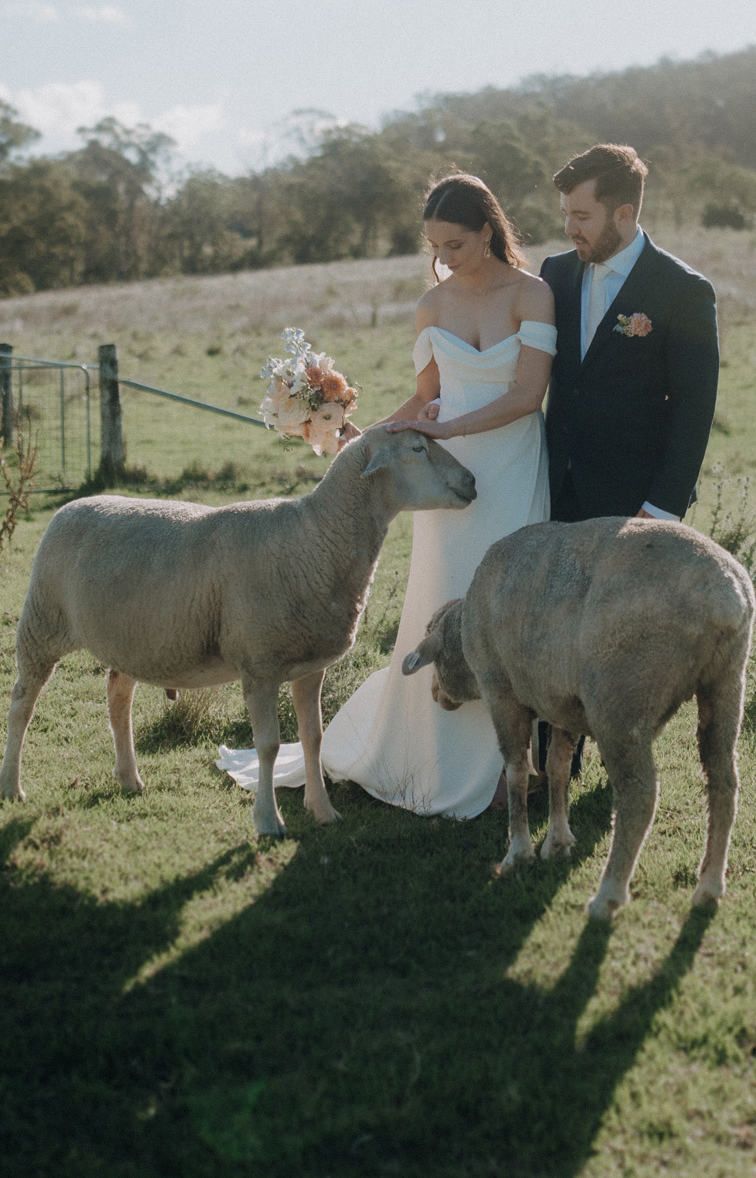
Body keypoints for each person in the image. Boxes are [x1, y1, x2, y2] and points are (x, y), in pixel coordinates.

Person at [216, 172, 553, 819]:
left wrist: (449, 425)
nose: (444, 259)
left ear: (487, 230)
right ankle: (432, 752)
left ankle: (513, 767)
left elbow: (527, 394)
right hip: (440, 480)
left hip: (512, 464)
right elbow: (425, 397)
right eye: (434, 246)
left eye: (455, 244)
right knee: (443, 600)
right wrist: (363, 440)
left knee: (512, 607)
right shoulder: (433, 306)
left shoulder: (532, 294)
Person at [535, 144, 722, 773]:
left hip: (631, 496)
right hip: (552, 483)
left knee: (613, 637)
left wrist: (662, 507)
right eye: (565, 213)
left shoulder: (682, 290)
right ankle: (546, 763)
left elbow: (696, 409)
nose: (569, 227)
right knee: (550, 623)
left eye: (581, 215)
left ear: (622, 214)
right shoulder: (555, 275)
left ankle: (609, 753)